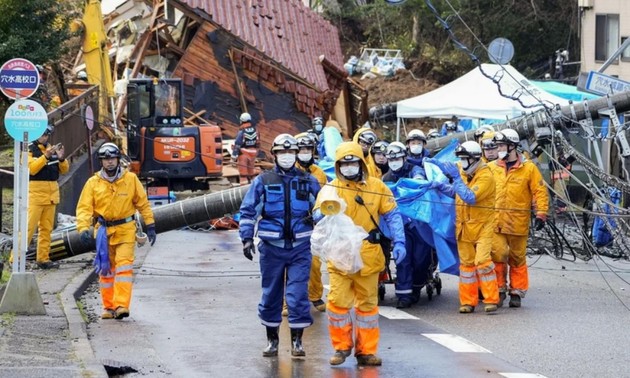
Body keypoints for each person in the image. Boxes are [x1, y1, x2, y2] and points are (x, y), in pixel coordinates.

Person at [313, 141, 405, 366]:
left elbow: (392, 214)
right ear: (337, 166)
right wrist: (325, 211)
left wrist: (400, 240)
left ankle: (366, 351)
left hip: (368, 254)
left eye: (353, 162)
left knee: (367, 306)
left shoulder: (378, 186)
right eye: (344, 164)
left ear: (361, 163)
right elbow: (317, 216)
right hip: (340, 254)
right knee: (338, 302)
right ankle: (341, 347)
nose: (349, 167)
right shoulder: (331, 189)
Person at [238, 134, 321, 358]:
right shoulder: (263, 181)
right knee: (271, 295)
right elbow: (248, 211)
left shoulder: (308, 180)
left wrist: (329, 231)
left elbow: (322, 209)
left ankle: (297, 342)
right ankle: (272, 341)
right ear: (275, 155)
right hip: (271, 248)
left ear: (296, 155)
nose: (287, 156)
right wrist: (246, 238)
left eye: (291, 152)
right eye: (282, 152)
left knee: (297, 295)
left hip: (300, 247)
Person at [76, 143, 156, 320]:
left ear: (118, 159)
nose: (109, 162)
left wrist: (150, 225)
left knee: (124, 266)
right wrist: (82, 228)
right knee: (106, 270)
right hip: (104, 232)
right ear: (101, 162)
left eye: (112, 158)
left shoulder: (130, 179)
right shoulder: (93, 183)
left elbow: (142, 203)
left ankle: (121, 305)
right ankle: (108, 307)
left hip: (126, 230)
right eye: (106, 159)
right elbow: (84, 208)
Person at [430, 142, 499, 313]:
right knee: (467, 266)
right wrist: (442, 187)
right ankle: (468, 301)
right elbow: (457, 193)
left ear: (475, 159)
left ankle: (491, 299)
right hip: (464, 226)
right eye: (460, 159)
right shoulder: (463, 172)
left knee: (482, 262)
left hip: (483, 226)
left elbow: (470, 196)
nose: (461, 162)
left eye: (464, 159)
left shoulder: (485, 176)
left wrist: (456, 179)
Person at [491, 129, 549, 308]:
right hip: (496, 222)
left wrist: (541, 214)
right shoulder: (492, 167)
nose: (498, 149)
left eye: (501, 145)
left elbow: (539, 191)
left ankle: (516, 292)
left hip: (518, 222)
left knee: (517, 258)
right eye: (498, 145)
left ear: (512, 146)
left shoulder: (528, 168)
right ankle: (499, 290)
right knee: (498, 254)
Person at [381, 142, 428, 308]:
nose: (394, 162)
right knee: (403, 258)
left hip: (418, 223)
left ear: (403, 157)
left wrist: (413, 183)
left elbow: (419, 182)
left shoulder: (414, 170)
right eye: (390, 159)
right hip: (400, 224)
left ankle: (417, 286)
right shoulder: (385, 179)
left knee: (421, 258)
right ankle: (404, 295)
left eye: (397, 158)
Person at [26, 125, 69, 269]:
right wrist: (46, 156)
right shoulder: (29, 149)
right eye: (43, 135)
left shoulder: (51, 148)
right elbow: (32, 169)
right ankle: (16, 259)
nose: (45, 137)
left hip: (51, 194)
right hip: (35, 195)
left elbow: (64, 170)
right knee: (28, 228)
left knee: (46, 229)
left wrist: (62, 158)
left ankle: (43, 258)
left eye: (47, 135)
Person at [295, 132, 328, 313]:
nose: (305, 152)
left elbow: (323, 196)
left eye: (308, 149)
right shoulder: (290, 171)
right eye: (302, 149)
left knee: (314, 262)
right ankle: (289, 300)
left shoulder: (319, 173)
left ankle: (315, 295)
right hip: (294, 223)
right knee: (290, 264)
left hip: (313, 223)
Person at [232, 112, 259, 185]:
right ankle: (254, 184)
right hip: (253, 153)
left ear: (241, 121)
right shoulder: (255, 130)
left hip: (243, 153)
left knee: (243, 173)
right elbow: (258, 143)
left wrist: (234, 155)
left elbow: (237, 144)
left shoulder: (242, 132)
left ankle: (244, 187)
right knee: (251, 171)